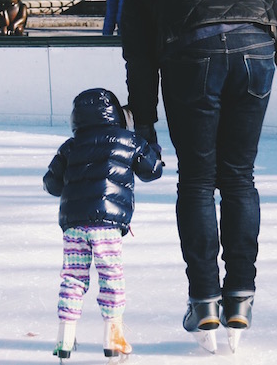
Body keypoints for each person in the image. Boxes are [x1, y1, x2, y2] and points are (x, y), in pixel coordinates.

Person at [120, 0, 277, 354]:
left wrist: (144, 127)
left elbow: (138, 61)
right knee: (239, 178)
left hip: (193, 54)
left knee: (196, 181)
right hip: (255, 51)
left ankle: (204, 300)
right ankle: (241, 295)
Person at [43, 87, 163, 361]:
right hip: (107, 226)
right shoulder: (127, 140)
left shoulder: (70, 146)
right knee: (110, 276)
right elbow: (152, 170)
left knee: (73, 277)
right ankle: (113, 336)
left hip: (74, 224)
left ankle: (65, 335)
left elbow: (51, 184)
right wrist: (151, 147)